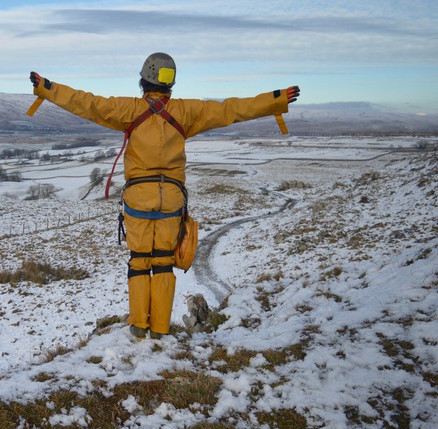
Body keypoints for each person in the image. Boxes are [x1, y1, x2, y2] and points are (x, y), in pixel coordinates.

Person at [29, 52, 300, 340]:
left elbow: (86, 103)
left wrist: (47, 87)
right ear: (171, 84)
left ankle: (138, 328)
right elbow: (231, 110)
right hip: (171, 199)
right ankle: (159, 330)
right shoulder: (187, 111)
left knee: (139, 260)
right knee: (162, 261)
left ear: (143, 80)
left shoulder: (127, 109)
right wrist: (276, 99)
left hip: (138, 198)